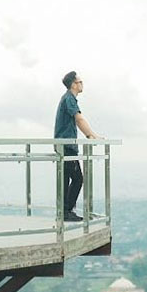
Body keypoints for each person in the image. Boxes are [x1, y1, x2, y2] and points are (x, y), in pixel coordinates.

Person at [54, 71, 101, 222]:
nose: (82, 84)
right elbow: (79, 119)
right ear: (74, 84)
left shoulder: (68, 98)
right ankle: (66, 211)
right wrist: (92, 135)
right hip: (66, 146)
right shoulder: (69, 99)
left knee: (67, 178)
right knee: (77, 178)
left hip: (65, 145)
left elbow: (78, 121)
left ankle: (65, 211)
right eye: (80, 81)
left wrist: (91, 134)